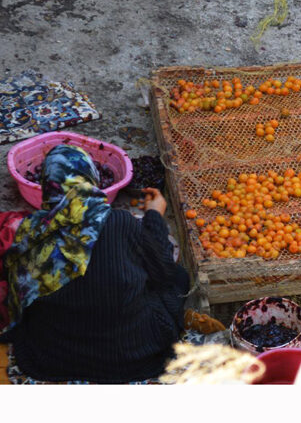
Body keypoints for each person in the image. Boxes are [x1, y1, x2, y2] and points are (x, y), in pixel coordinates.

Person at [0, 144, 189, 383]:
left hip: (52, 357)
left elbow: (20, 293)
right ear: (91, 179)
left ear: (48, 186)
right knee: (177, 277)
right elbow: (163, 268)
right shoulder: (120, 222)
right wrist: (154, 215)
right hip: (133, 354)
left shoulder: (30, 233)